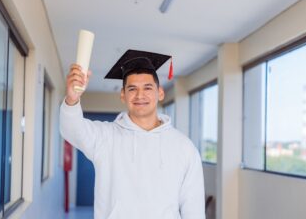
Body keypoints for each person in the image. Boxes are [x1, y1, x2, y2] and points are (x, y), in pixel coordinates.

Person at [60, 49, 205, 219]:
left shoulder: (184, 147)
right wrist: (72, 99)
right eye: (132, 89)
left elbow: (193, 209)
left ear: (160, 93)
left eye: (148, 88)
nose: (140, 95)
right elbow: (71, 129)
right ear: (123, 95)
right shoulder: (105, 137)